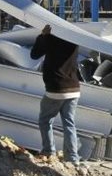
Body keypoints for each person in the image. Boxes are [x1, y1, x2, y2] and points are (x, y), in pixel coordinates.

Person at [31, 24, 81, 163]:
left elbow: (34, 54)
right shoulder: (74, 41)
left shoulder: (51, 39)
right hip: (74, 88)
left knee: (45, 120)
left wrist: (42, 36)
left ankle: (48, 150)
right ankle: (72, 158)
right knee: (69, 123)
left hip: (56, 88)